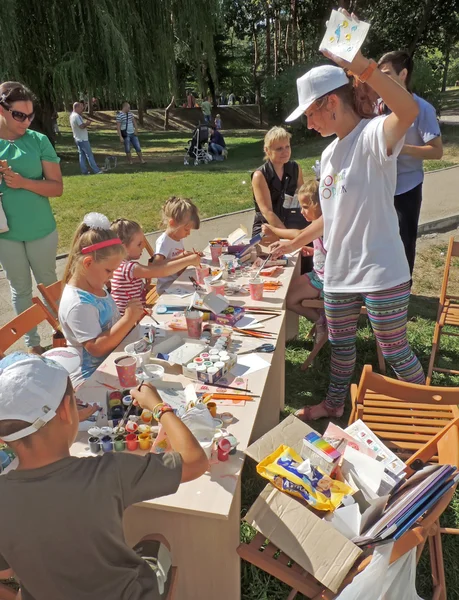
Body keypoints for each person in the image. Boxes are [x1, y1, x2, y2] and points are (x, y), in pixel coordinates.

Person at [270, 11, 425, 421]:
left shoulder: (374, 135)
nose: (308, 121)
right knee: (340, 346)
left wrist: (360, 65)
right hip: (339, 271)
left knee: (394, 349)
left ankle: (430, 415)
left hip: (381, 270)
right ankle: (333, 404)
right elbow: (334, 214)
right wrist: (295, 241)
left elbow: (406, 110)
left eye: (311, 112)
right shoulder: (328, 152)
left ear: (332, 102)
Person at [0, 351, 208, 600]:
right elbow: (196, 461)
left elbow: (6, 571)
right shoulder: (109, 472)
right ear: (67, 410)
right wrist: (158, 407)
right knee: (157, 539)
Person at [0, 81, 63, 354]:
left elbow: (57, 187)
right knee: (20, 289)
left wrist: (23, 182)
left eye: (30, 115)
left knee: (49, 284)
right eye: (18, 115)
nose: (26, 122)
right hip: (5, 233)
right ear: (2, 110)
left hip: (40, 230)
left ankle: (63, 334)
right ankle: (33, 345)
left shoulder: (39, 141)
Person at [58, 212, 145, 386]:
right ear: (88, 263)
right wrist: (128, 320)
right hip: (92, 378)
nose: (112, 277)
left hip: (114, 361)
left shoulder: (94, 285)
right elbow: (96, 348)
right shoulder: (79, 304)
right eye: (108, 271)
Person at [378, 51, 443, 275]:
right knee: (380, 242)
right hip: (380, 187)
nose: (380, 79)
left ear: (403, 74)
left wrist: (400, 148)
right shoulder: (377, 107)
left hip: (407, 188)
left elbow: (437, 151)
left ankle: (404, 292)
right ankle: (381, 290)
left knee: (404, 242)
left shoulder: (423, 108)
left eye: (386, 74)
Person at [263, 180, 326, 344]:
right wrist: (314, 251)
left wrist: (275, 232)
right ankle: (323, 317)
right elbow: (302, 235)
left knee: (289, 299)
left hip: (326, 280)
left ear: (322, 205)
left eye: (305, 207)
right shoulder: (318, 222)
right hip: (318, 274)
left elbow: (299, 234)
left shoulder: (326, 223)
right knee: (285, 292)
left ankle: (322, 322)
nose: (301, 211)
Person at [110, 218, 201, 314]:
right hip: (128, 323)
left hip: (132, 315)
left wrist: (182, 256)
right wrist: (187, 261)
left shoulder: (118, 265)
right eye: (139, 244)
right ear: (123, 248)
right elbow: (161, 271)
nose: (143, 246)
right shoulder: (129, 268)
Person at [251, 127, 309, 271]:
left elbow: (303, 198)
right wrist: (287, 236)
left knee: (307, 254)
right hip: (267, 226)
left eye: (287, 146)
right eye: (279, 149)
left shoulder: (295, 168)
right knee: (275, 269)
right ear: (267, 150)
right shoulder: (260, 175)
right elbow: (267, 211)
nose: (285, 151)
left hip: (290, 222)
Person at [154, 197, 201, 295]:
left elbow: (178, 262)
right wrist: (184, 258)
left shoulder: (177, 237)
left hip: (178, 281)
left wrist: (187, 256)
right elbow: (156, 266)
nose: (188, 234)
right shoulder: (164, 242)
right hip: (167, 288)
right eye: (186, 229)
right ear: (172, 223)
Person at [69, 102, 103, 175]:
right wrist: (87, 123)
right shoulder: (76, 116)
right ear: (76, 107)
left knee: (82, 155)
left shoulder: (72, 115)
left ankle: (84, 171)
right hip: (82, 139)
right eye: (81, 108)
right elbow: (81, 126)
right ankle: (96, 170)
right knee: (89, 155)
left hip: (77, 138)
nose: (82, 109)